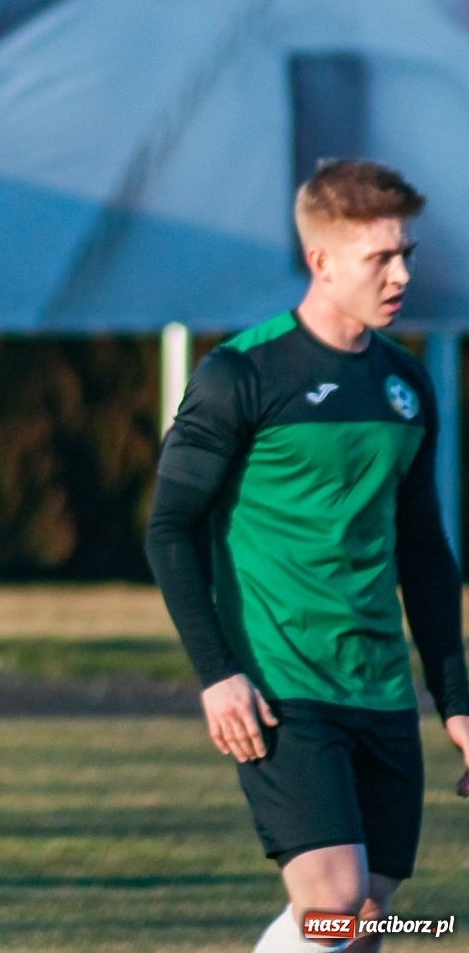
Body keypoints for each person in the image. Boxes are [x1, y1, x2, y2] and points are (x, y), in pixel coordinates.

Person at [146, 160, 469, 953]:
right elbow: (169, 529)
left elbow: (425, 553)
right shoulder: (242, 375)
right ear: (322, 260)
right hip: (281, 681)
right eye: (379, 259)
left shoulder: (406, 386)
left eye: (406, 254)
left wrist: (457, 702)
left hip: (380, 684)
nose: (400, 275)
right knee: (335, 902)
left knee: (360, 926)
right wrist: (218, 673)